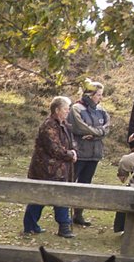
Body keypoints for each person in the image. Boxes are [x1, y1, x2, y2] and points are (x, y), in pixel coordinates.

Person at [23, 95, 77, 238]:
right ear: (57, 110)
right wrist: (70, 154)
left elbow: (71, 143)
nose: (68, 111)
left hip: (58, 170)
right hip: (46, 170)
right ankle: (60, 227)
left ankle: (34, 226)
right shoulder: (49, 126)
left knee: (51, 197)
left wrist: (73, 151)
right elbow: (55, 149)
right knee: (46, 197)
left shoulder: (64, 125)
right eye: (66, 109)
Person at [67, 79, 111, 227]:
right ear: (90, 95)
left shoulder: (101, 110)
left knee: (86, 184)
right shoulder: (76, 109)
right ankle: (64, 213)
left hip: (94, 153)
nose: (101, 97)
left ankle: (78, 214)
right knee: (71, 182)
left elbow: (107, 127)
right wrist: (98, 132)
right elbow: (80, 128)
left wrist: (95, 135)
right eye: (98, 94)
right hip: (80, 152)